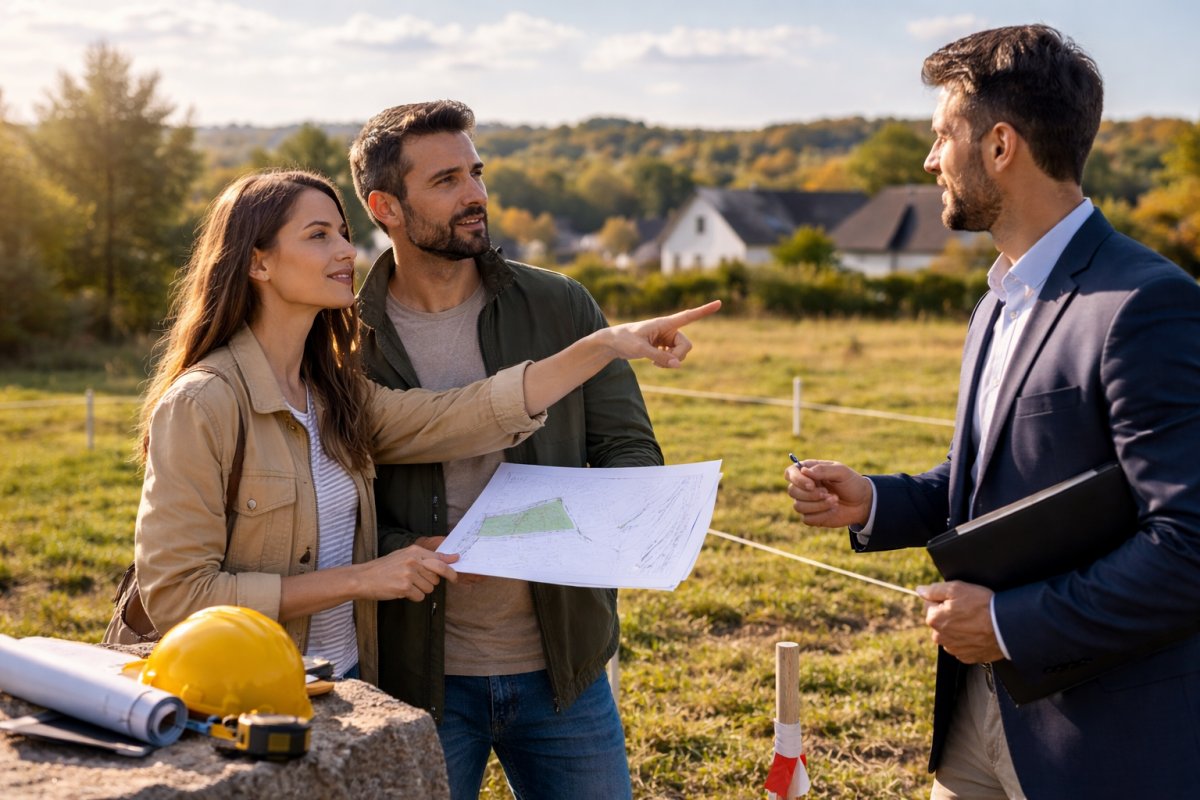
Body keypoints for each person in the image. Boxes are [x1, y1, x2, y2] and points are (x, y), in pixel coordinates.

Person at [784, 25, 1200, 800]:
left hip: (1100, 743)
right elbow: (985, 487)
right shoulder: (997, 300)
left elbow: (1189, 545)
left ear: (1001, 146)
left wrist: (1012, 624)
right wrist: (874, 499)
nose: (930, 160)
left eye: (944, 136)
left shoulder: (1147, 304)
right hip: (975, 722)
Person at [121, 168, 718, 689]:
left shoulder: (335, 393)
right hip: (247, 686)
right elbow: (177, 595)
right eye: (318, 236)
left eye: (344, 234)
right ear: (257, 261)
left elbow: (465, 414)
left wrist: (604, 345)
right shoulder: (203, 403)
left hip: (344, 681)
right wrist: (364, 578)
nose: (345, 253)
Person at [348, 100, 656, 800]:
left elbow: (630, 450)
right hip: (415, 679)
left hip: (564, 669)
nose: (476, 195)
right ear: (385, 206)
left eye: (477, 173)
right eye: (447, 180)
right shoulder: (342, 338)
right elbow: (334, 499)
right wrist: (408, 544)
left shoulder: (561, 306)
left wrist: (554, 527)